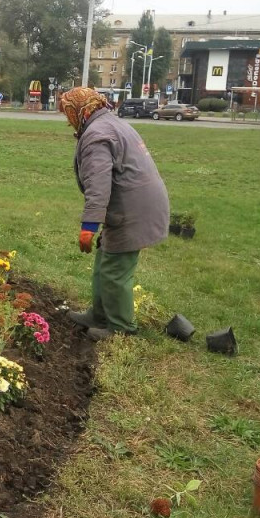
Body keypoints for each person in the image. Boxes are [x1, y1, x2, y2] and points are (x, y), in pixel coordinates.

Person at [59, 87, 170, 341]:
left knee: (115, 271)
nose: (67, 120)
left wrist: (89, 225)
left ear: (80, 110)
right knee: (104, 263)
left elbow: (98, 186)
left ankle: (121, 329)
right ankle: (99, 315)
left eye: (68, 112)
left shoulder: (97, 135)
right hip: (134, 203)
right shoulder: (109, 123)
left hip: (133, 209)